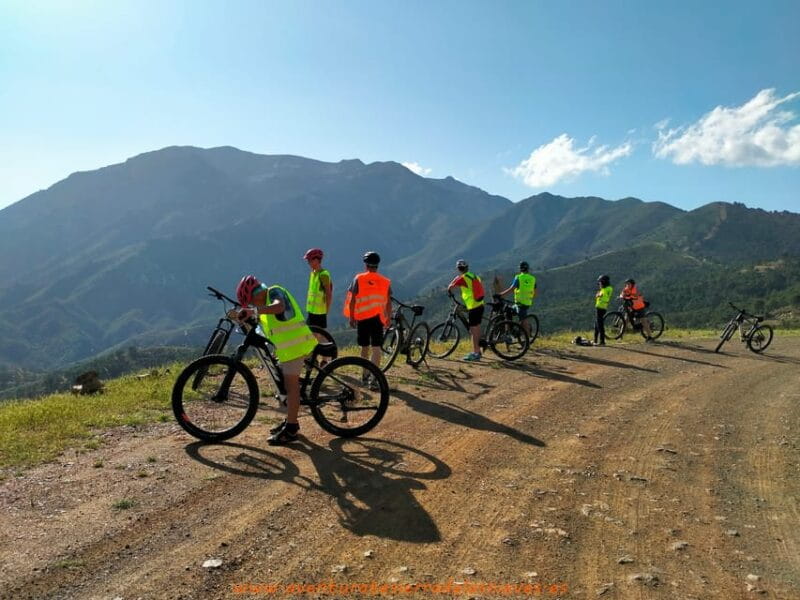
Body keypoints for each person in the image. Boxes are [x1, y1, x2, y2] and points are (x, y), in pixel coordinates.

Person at [235, 275, 318, 445]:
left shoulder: (274, 291)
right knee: (284, 384)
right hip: (288, 349)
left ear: (256, 293)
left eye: (251, 301)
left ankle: (292, 429)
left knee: (291, 386)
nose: (252, 304)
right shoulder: (264, 306)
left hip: (297, 346)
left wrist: (254, 311)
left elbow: (279, 307)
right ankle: (290, 419)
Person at [343, 251, 392, 384]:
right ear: (377, 265)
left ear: (366, 265)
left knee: (364, 347)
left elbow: (353, 299)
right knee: (376, 348)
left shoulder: (359, 278)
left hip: (363, 318)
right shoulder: (385, 281)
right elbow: (388, 302)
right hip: (378, 319)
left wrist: (351, 317)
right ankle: (375, 378)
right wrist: (388, 318)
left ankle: (365, 375)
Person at [447, 259, 485, 361]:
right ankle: (478, 351)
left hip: (473, 306)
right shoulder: (474, 276)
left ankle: (476, 353)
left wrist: (455, 279)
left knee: (473, 330)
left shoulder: (462, 278)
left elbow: (450, 287)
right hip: (480, 304)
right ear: (467, 267)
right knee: (477, 327)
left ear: (458, 269)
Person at [498, 261, 537, 336]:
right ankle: (512, 331)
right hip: (527, 302)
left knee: (523, 320)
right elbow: (535, 293)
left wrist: (501, 294)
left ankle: (527, 338)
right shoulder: (533, 279)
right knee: (509, 310)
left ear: (520, 269)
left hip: (520, 303)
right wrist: (528, 297)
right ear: (528, 269)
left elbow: (511, 289)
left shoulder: (518, 277)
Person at [303, 247, 333, 339]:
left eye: (309, 260)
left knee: (317, 336)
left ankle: (325, 348)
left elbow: (328, 294)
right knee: (311, 336)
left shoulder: (323, 275)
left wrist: (327, 310)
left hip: (319, 312)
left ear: (316, 260)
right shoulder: (313, 273)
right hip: (311, 311)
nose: (308, 262)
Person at [594, 275, 613, 346]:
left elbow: (605, 298)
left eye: (600, 282)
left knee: (600, 325)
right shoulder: (605, 289)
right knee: (596, 324)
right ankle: (595, 340)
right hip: (600, 307)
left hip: (601, 308)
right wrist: (599, 295)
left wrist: (599, 295)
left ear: (603, 282)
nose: (599, 284)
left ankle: (602, 341)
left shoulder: (606, 289)